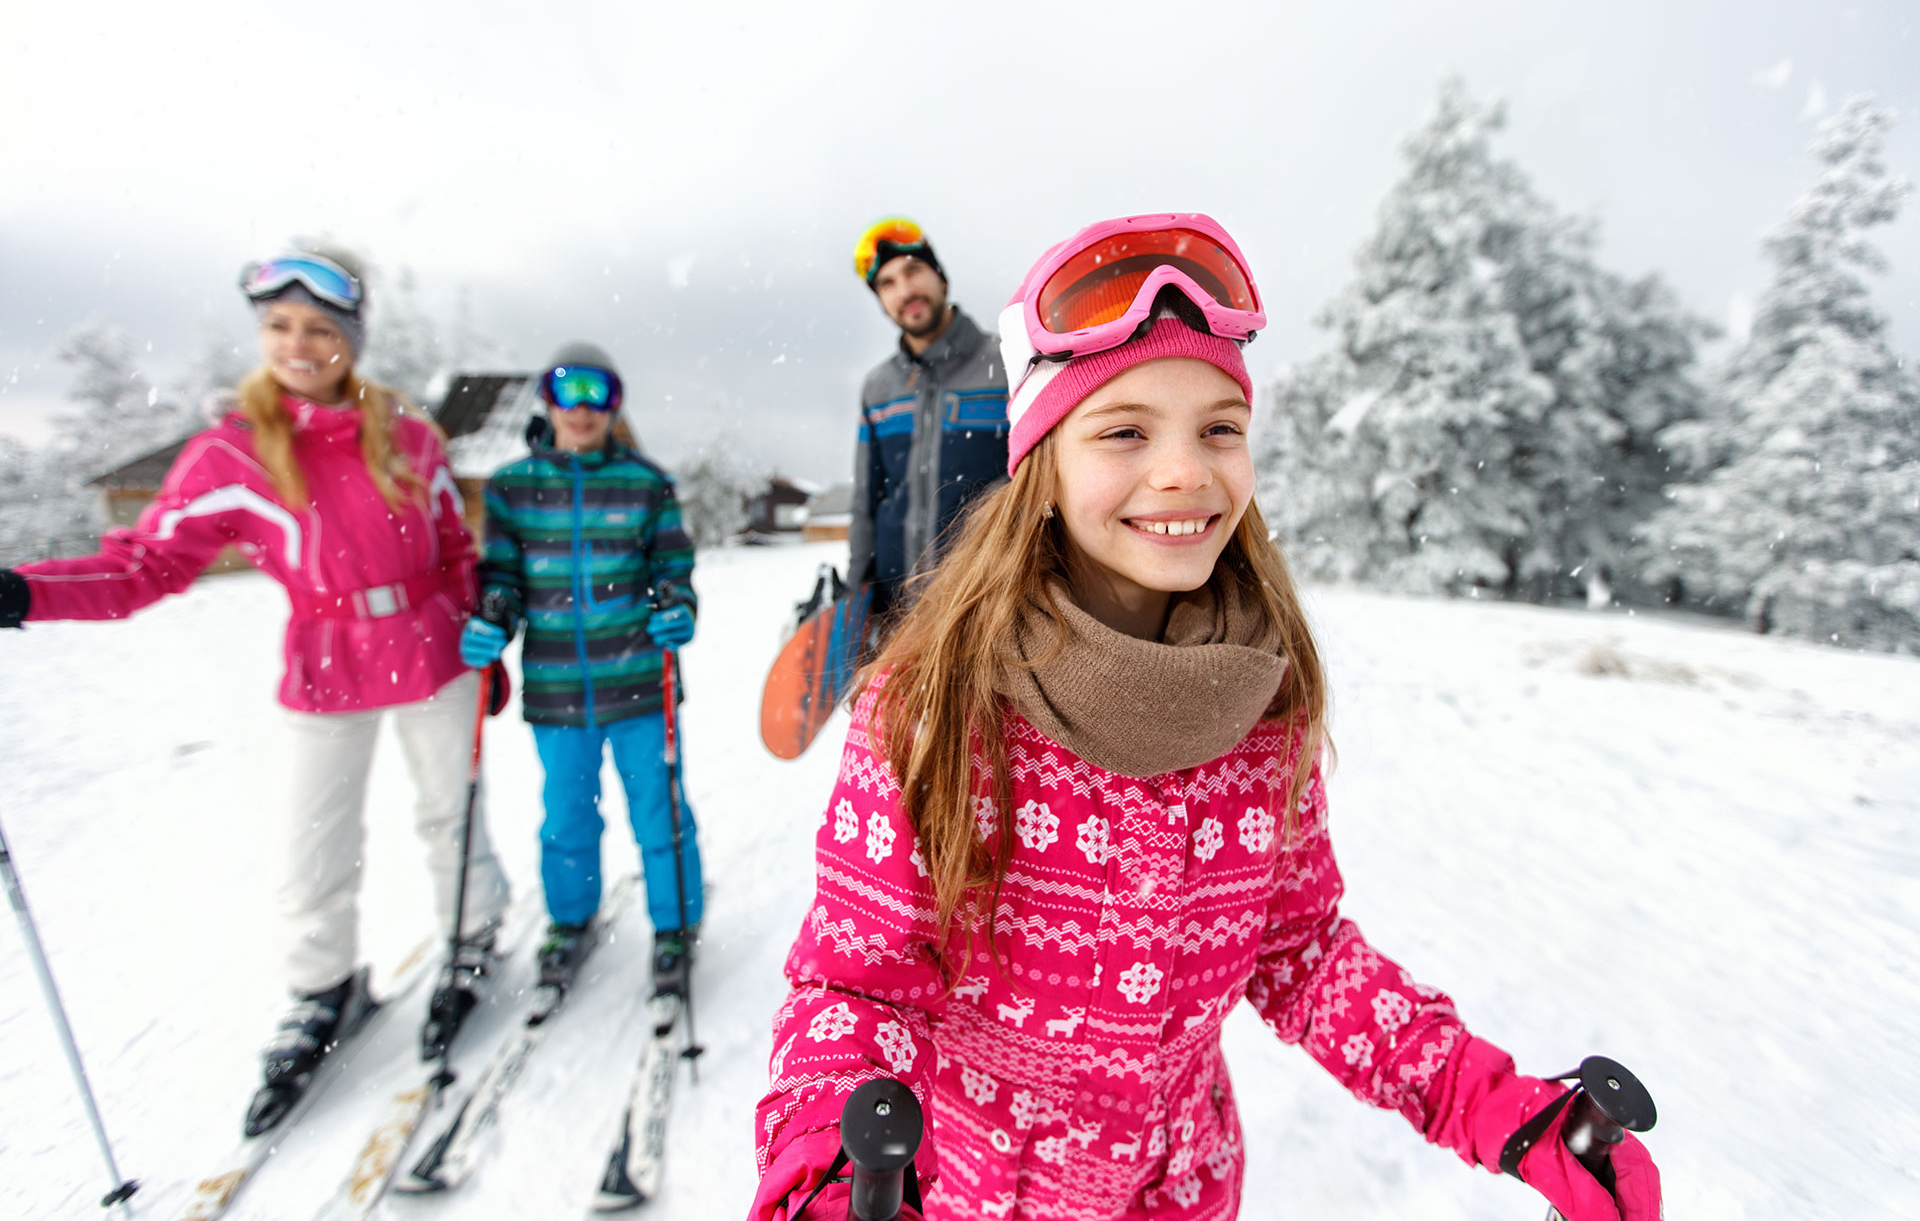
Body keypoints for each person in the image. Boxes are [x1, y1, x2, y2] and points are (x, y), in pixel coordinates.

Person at [749, 215, 1664, 1221]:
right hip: (971, 1198)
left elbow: (1302, 954)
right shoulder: (931, 708)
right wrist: (825, 1175)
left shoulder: (1265, 702)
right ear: (1041, 464)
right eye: (1126, 429)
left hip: (1181, 1194)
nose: (1186, 470)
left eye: (1219, 426)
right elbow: (856, 993)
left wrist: (1499, 1108)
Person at [0, 246, 511, 1134]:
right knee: (315, 839)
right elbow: (144, 565)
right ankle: (322, 990)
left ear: (351, 337)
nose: (299, 345)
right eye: (280, 327)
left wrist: (484, 620)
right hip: (328, 654)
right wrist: (29, 590)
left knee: (448, 814)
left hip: (433, 647)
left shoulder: (410, 435)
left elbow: (453, 545)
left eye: (320, 328)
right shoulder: (230, 454)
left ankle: (470, 942)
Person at [460, 342, 704, 999]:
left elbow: (672, 571)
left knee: (659, 811)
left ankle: (675, 927)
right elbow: (503, 577)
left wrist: (676, 606)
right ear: (548, 398)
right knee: (567, 815)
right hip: (557, 687)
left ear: (615, 405)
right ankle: (570, 921)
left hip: (639, 686)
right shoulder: (513, 488)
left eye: (599, 392)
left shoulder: (647, 485)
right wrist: (492, 617)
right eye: (569, 388)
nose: (584, 407)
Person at [848, 218, 1009, 620]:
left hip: (990, 607)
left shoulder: (1007, 365)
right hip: (898, 615)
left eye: (913, 270)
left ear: (940, 278)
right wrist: (852, 600)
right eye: (887, 283)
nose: (905, 291)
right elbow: (866, 502)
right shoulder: (878, 388)